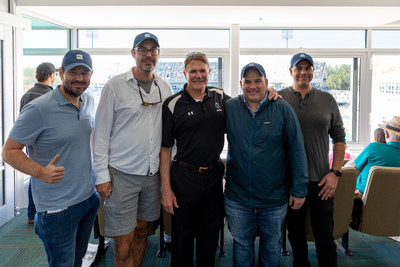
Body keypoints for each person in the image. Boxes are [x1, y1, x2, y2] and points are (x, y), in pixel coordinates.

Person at [2, 50, 99, 266]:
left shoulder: (89, 101)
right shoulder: (38, 108)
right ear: (61, 72)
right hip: (57, 209)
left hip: (88, 199)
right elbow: (8, 151)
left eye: (85, 72)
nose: (80, 78)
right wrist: (40, 171)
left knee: (77, 260)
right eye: (73, 71)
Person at [93, 32, 173, 267]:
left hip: (152, 175)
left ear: (158, 55)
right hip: (122, 175)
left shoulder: (165, 87)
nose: (148, 55)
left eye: (153, 50)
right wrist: (102, 176)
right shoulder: (115, 85)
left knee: (142, 231)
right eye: (143, 50)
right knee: (124, 243)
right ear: (133, 53)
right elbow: (101, 134)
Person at [224, 62, 308, 267]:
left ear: (267, 83)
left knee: (271, 246)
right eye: (248, 82)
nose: (253, 86)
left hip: (274, 198)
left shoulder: (282, 108)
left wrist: (300, 189)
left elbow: (297, 150)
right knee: (242, 245)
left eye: (258, 81)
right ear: (240, 84)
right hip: (238, 197)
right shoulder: (230, 107)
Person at [160, 52, 228, 267]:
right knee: (182, 238)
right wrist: (166, 189)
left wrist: (271, 92)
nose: (198, 75)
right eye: (193, 71)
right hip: (184, 177)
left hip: (214, 176)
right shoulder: (172, 104)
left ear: (210, 72)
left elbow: (251, 102)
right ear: (185, 74)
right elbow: (165, 149)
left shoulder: (221, 98)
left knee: (210, 236)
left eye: (202, 71)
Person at [280, 53, 346, 267]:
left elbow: (339, 138)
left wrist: (335, 173)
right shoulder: (279, 98)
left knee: (325, 238)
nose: (303, 72)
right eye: (298, 68)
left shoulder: (327, 100)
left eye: (307, 68)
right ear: (291, 72)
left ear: (313, 72)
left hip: (321, 181)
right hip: (290, 181)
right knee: (296, 236)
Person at [20, 62, 57, 224]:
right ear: (51, 76)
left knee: (35, 176)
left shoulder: (26, 95)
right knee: (50, 176)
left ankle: (30, 214)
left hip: (32, 143)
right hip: (50, 143)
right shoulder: (52, 96)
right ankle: (48, 211)